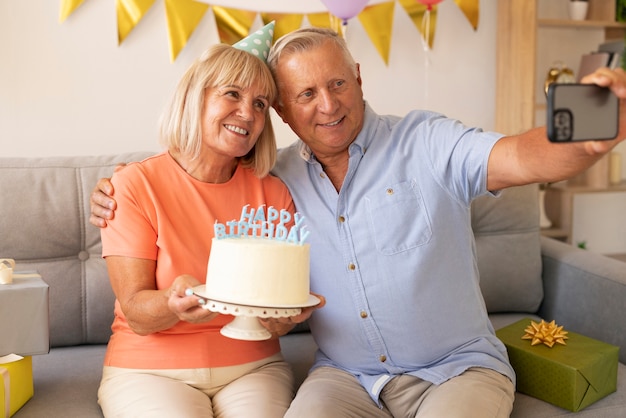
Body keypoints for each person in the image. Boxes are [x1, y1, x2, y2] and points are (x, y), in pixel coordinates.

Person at [91, 27, 626, 417]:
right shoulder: (276, 178)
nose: (328, 106)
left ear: (359, 77)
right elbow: (192, 166)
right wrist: (117, 184)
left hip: (454, 370)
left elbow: (520, 157)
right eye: (305, 94)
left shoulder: (427, 141)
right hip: (345, 379)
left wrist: (583, 134)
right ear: (283, 112)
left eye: (338, 84)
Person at [95, 23, 314, 418]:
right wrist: (172, 302)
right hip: (150, 372)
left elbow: (280, 314)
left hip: (254, 368)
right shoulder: (133, 185)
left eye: (261, 104)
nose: (247, 113)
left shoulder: (275, 194)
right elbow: (136, 313)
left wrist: (283, 318)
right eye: (232, 93)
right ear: (195, 99)